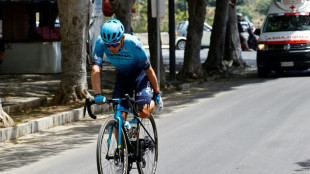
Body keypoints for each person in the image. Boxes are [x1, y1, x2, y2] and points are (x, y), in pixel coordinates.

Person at [91, 19, 162, 121]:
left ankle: (152, 103)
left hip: (140, 76)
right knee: (119, 118)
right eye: (108, 45)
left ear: (122, 38)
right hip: (123, 76)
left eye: (115, 44)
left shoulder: (134, 44)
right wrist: (97, 94)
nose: (111, 48)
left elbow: (148, 69)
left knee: (143, 111)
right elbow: (95, 69)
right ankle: (125, 135)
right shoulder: (100, 42)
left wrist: (156, 92)